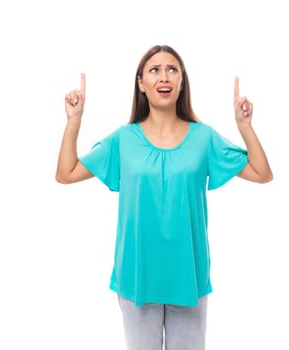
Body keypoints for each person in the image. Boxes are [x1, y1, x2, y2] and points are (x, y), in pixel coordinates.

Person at [56, 44, 273, 350]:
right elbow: (66, 173)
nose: (164, 76)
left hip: (189, 277)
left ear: (181, 81)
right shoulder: (123, 139)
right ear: (141, 83)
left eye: (172, 69)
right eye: (154, 70)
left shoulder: (204, 137)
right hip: (137, 277)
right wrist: (74, 120)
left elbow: (262, 173)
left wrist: (244, 127)